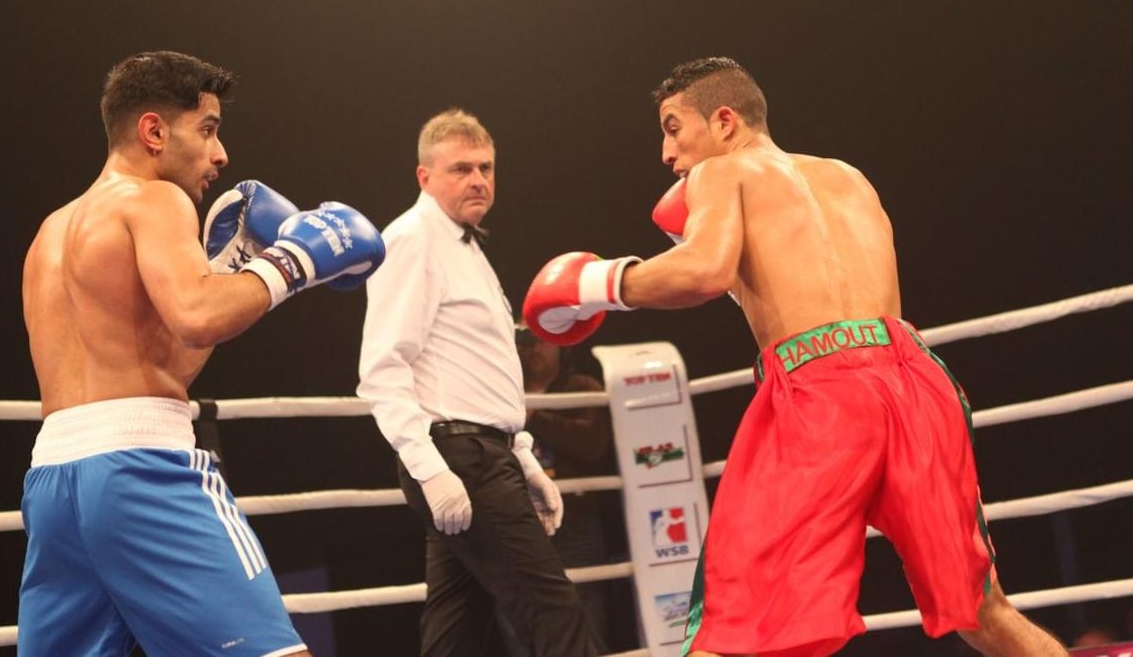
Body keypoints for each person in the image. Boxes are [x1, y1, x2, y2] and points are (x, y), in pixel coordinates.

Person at [522, 57, 1069, 657]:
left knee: (736, 624)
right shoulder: (849, 176)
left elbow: (705, 270)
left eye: (674, 127)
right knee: (982, 610)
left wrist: (599, 282)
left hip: (822, 398)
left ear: (724, 121)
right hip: (916, 383)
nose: (666, 152)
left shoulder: (723, 173)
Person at [19, 50, 384, 656]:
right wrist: (292, 262)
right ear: (154, 131)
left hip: (54, 484)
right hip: (144, 470)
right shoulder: (154, 200)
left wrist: (226, 271)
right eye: (208, 129)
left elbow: (164, 363)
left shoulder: (49, 234)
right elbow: (198, 316)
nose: (221, 154)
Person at [357, 108, 596, 656]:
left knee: (458, 623)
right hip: (457, 458)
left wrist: (524, 456)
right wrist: (428, 468)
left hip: (482, 453)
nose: (478, 180)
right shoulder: (413, 238)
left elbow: (484, 373)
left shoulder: (468, 247)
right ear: (425, 177)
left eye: (486, 168)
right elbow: (382, 368)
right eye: (461, 169)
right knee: (552, 609)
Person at [499, 324, 623, 655]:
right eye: (524, 341)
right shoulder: (501, 391)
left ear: (561, 345)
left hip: (575, 520)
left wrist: (535, 416)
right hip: (517, 522)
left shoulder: (580, 386)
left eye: (541, 340)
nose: (532, 348)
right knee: (520, 616)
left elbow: (591, 444)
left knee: (585, 614)